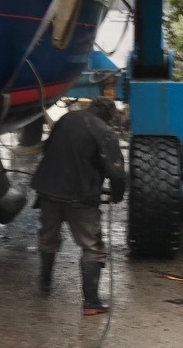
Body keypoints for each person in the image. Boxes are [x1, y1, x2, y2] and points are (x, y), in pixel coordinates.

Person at [30, 96, 126, 315]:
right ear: (109, 115)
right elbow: (117, 172)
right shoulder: (105, 131)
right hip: (81, 198)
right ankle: (91, 303)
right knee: (91, 246)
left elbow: (47, 148)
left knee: (48, 238)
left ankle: (45, 285)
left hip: (48, 191)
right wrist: (117, 195)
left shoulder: (67, 119)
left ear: (91, 107)